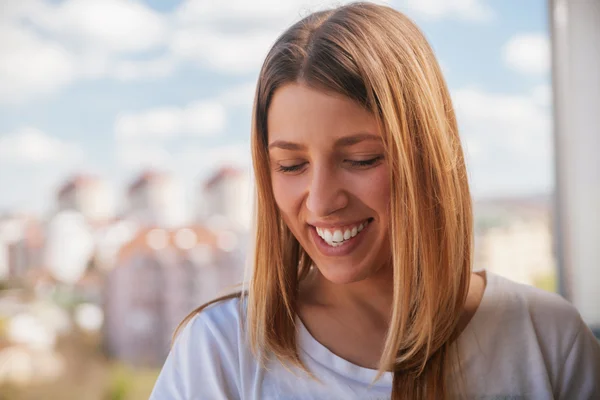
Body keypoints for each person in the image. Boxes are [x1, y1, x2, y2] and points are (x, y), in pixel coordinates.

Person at [149, 2, 600, 399]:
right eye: (290, 166)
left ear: (426, 158)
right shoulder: (219, 353)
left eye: (361, 159)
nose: (322, 201)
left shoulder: (548, 339)